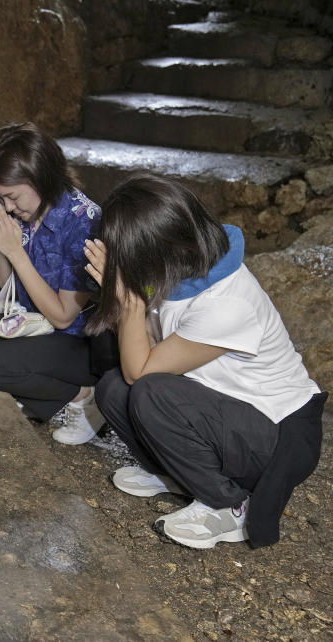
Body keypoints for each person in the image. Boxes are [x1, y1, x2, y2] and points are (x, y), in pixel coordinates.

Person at [85, 174, 325, 550]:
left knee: (149, 391)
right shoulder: (178, 271)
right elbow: (143, 352)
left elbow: (142, 371)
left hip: (273, 433)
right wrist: (129, 301)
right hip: (221, 409)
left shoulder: (226, 303)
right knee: (113, 389)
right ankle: (176, 475)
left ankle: (229, 504)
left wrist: (126, 301)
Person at [0, 122, 105, 445]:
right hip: (32, 324)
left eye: (11, 196)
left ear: (38, 175)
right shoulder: (26, 213)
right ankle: (42, 394)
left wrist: (17, 254)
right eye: (1, 198)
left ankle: (83, 395)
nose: (8, 206)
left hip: (76, 340)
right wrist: (3, 253)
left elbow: (64, 316)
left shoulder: (83, 221)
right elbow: (9, 289)